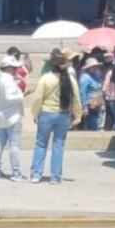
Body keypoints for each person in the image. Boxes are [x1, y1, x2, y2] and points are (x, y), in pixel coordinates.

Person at [29, 49, 82, 184]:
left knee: (41, 144)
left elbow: (38, 99)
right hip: (64, 115)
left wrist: (35, 114)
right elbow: (76, 97)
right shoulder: (70, 79)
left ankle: (36, 174)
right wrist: (78, 114)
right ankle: (56, 176)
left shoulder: (45, 78)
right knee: (58, 145)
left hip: (46, 113)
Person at [0, 55, 25, 181]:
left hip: (0, 114)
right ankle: (16, 173)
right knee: (14, 145)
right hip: (12, 116)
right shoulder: (7, 80)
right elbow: (9, 97)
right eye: (14, 68)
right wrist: (22, 95)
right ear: (10, 68)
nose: (16, 70)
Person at [79, 58, 104, 131]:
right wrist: (85, 106)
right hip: (90, 104)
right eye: (93, 66)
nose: (95, 68)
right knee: (93, 124)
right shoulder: (85, 77)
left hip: (98, 103)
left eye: (96, 66)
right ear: (88, 68)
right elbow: (83, 92)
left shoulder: (96, 76)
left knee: (97, 123)